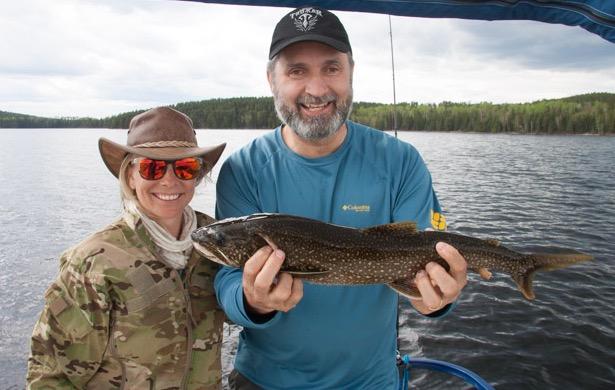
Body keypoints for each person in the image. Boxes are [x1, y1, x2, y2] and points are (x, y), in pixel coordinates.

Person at [214, 7, 468, 389]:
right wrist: (253, 300)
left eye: (331, 68)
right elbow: (225, 281)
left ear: (351, 72)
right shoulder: (242, 170)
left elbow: (429, 265)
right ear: (272, 79)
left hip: (372, 381)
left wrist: (439, 300)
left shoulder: (401, 162)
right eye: (297, 71)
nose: (316, 89)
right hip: (263, 380)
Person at [27, 107, 226, 389]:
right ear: (130, 176)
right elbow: (51, 374)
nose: (169, 180)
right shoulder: (93, 262)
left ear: (196, 175)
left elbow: (244, 307)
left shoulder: (220, 242)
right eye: (152, 167)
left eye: (185, 167)